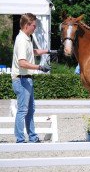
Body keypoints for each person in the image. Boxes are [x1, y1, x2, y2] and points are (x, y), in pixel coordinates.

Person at [11, 13, 57, 143]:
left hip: (26, 79)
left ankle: (32, 137)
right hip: (21, 79)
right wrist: (40, 67)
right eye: (34, 26)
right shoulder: (21, 40)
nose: (35, 28)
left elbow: (33, 52)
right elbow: (22, 63)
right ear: (27, 25)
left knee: (30, 110)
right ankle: (20, 139)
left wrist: (49, 51)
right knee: (23, 110)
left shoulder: (27, 38)